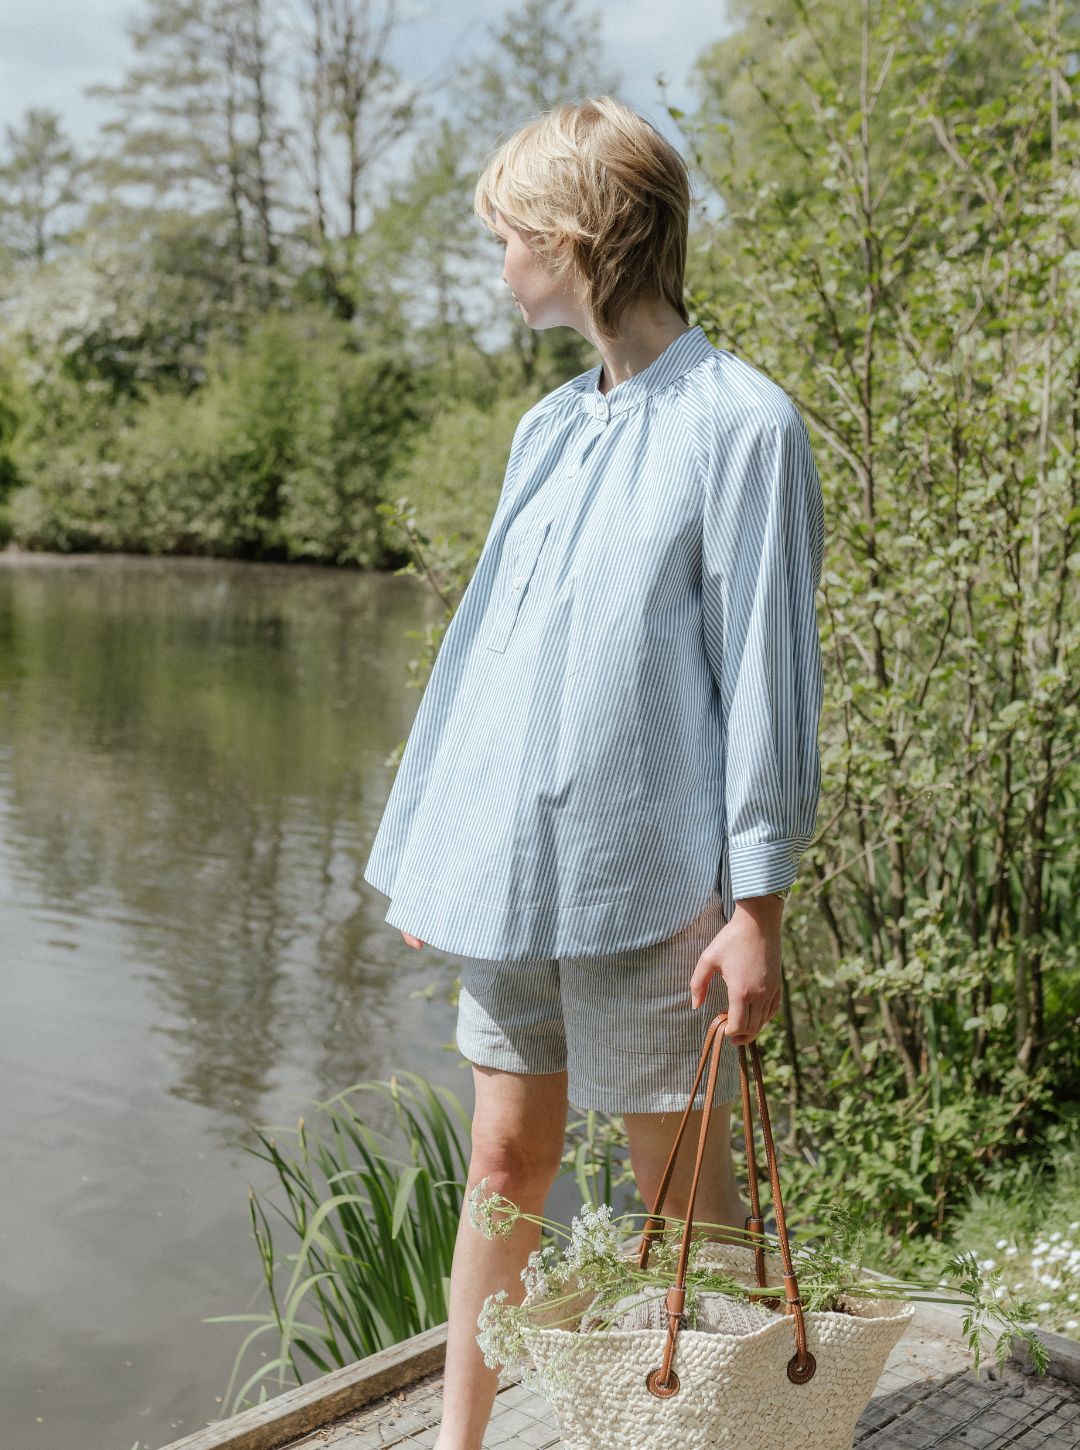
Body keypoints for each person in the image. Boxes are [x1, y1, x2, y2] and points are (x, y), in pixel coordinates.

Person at [362, 94, 825, 1450]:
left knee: (682, 1195)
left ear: (570, 242)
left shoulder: (744, 427)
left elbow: (767, 683)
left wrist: (759, 913)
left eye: (505, 231)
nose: (495, 253)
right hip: (510, 873)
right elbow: (488, 656)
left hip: (663, 888)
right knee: (502, 1167)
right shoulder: (549, 428)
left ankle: (724, 1434)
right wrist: (440, 847)